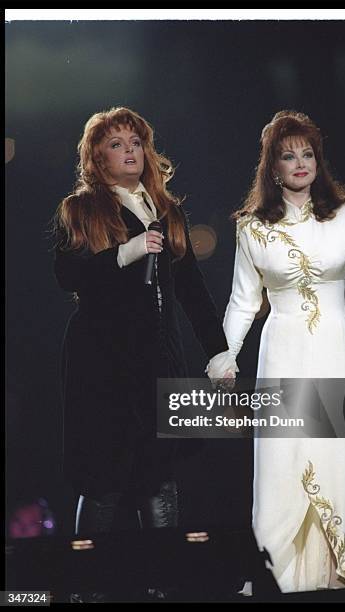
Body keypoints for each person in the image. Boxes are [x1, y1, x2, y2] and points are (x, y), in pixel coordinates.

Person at [207, 110, 345, 593]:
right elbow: (241, 302)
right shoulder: (252, 229)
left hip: (340, 351)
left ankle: (339, 583)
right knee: (282, 472)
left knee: (344, 467)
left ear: (318, 161)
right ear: (271, 167)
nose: (300, 163)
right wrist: (226, 355)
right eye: (288, 155)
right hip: (284, 354)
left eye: (308, 154)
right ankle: (274, 581)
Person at [52, 107, 230, 565]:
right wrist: (124, 253)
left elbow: (192, 291)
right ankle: (85, 585)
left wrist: (219, 352)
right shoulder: (82, 208)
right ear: (97, 157)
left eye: (135, 142)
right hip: (102, 364)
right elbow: (67, 274)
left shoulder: (166, 212)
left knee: (159, 473)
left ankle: (163, 580)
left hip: (158, 358)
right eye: (116, 144)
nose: (129, 151)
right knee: (105, 478)